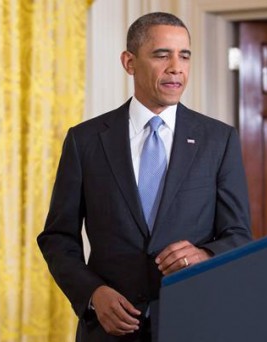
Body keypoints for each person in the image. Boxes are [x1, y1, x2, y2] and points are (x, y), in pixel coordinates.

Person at [37, 12, 252, 342]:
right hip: (109, 328)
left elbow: (238, 234)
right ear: (129, 62)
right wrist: (93, 294)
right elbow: (57, 238)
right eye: (161, 54)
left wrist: (205, 254)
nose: (176, 67)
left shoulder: (218, 139)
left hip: (194, 322)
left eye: (184, 55)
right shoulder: (86, 140)